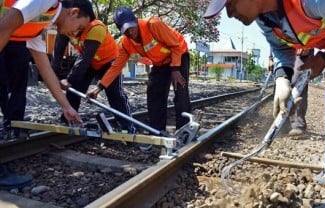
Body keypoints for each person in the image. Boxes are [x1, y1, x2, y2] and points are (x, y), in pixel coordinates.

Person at [203, 0, 325, 207]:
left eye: (230, 4)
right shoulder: (265, 19)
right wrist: (282, 78)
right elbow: (281, 48)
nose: (229, 14)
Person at [0, 0, 95, 190]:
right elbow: (4, 25)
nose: (75, 33)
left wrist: (66, 106)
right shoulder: (46, 1)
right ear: (74, 12)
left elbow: (44, 67)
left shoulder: (39, 24)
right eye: (80, 27)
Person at [87, 7, 191, 149]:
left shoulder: (153, 24)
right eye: (126, 30)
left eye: (132, 27)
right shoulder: (125, 44)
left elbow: (175, 45)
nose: (131, 32)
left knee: (181, 92)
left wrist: (175, 69)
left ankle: (184, 133)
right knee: (154, 94)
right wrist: (99, 88)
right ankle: (157, 133)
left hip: (179, 55)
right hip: (160, 63)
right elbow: (116, 67)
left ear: (136, 21)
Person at [52, 19, 135, 133]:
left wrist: (69, 79)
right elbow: (58, 53)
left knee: (115, 94)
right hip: (90, 62)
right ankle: (67, 120)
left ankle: (128, 127)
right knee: (73, 88)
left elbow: (85, 58)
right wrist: (53, 76)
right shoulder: (64, 27)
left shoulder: (95, 27)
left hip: (109, 62)